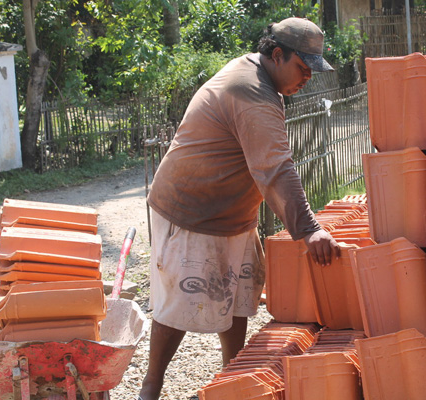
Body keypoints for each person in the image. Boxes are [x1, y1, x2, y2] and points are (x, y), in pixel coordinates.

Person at [139, 17, 341, 400]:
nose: (308, 78)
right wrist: (310, 228)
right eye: (303, 68)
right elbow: (276, 167)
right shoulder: (249, 89)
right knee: (179, 301)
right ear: (277, 54)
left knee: (237, 296)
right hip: (191, 207)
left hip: (231, 211)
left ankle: (234, 377)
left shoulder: (263, 79)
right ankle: (151, 385)